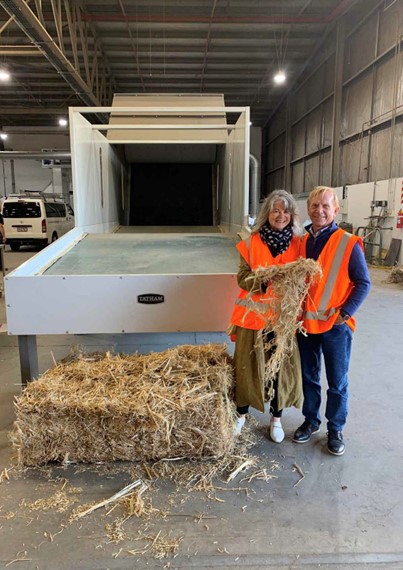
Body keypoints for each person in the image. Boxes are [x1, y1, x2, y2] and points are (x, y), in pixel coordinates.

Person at [293, 186, 371, 456]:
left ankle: (335, 428)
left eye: (326, 206)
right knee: (309, 376)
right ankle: (311, 420)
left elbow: (363, 283)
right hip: (305, 325)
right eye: (315, 205)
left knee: (337, 381)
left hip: (336, 327)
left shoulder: (348, 242)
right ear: (308, 209)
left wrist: (344, 314)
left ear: (335, 210)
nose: (320, 211)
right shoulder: (302, 241)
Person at [229, 189, 303, 443]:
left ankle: (276, 418)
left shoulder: (298, 245)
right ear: (267, 214)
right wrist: (263, 279)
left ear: (291, 215)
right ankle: (241, 415)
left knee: (280, 369)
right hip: (252, 320)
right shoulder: (251, 243)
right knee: (248, 369)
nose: (280, 215)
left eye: (285, 211)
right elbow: (241, 278)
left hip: (283, 322)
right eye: (275, 210)